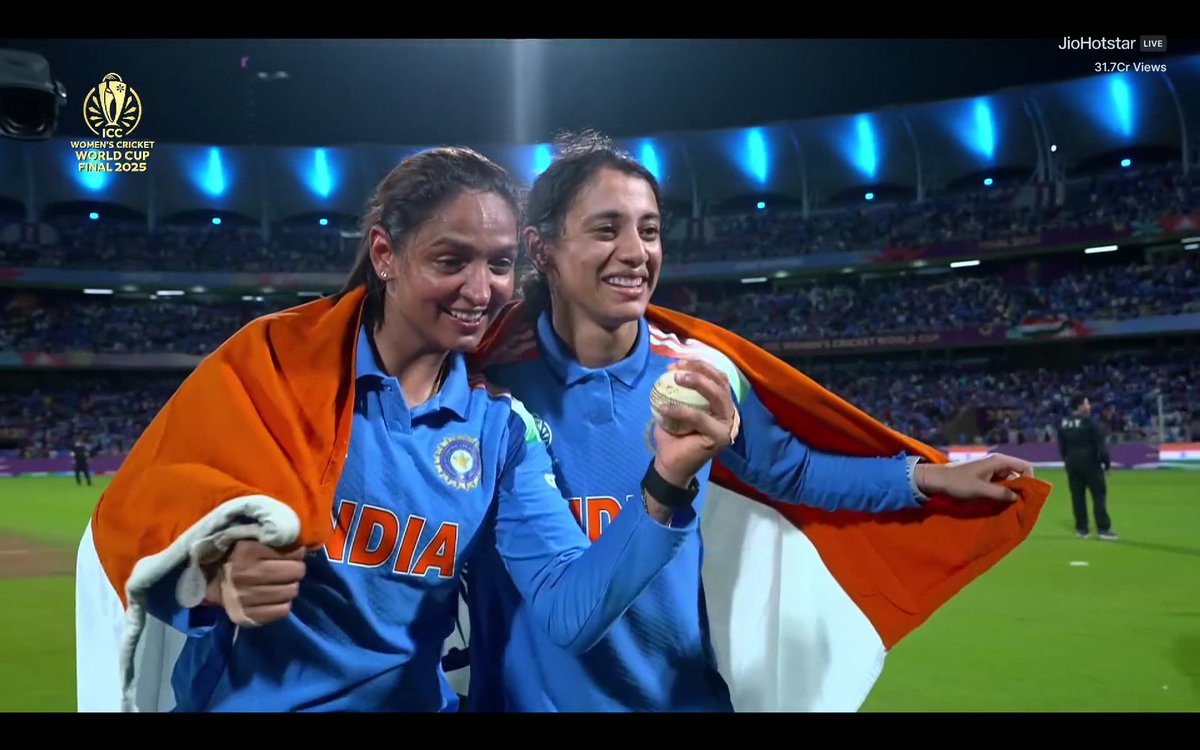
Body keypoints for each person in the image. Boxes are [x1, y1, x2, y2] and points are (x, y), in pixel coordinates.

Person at [74, 146, 732, 713]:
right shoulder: (275, 363)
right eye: (451, 261)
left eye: (500, 264)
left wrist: (666, 482)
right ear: (385, 255)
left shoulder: (499, 429)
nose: (480, 290)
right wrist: (212, 575)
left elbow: (568, 610)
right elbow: (149, 513)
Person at [461, 130, 1048, 712]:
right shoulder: (480, 386)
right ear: (542, 250)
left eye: (649, 229)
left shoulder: (702, 375)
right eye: (606, 228)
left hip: (677, 700)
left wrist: (924, 478)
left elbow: (791, 473)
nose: (637, 252)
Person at [1056, 395, 1117, 540]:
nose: (1089, 406)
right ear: (1079, 406)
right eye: (1087, 403)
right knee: (1099, 494)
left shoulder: (1063, 424)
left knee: (1077, 496)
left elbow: (1062, 448)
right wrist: (1106, 464)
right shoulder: (1090, 423)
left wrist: (1067, 462)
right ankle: (1103, 529)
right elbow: (1100, 446)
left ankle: (1082, 529)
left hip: (1072, 463)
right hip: (1090, 462)